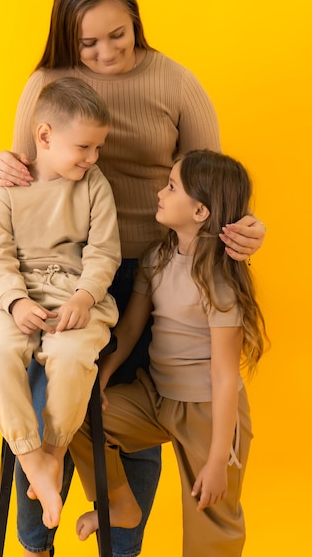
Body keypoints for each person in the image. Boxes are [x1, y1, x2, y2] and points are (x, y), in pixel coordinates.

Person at [0, 0, 267, 557]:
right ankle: (36, 543)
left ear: (136, 20)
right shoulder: (46, 83)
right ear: (67, 36)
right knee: (43, 413)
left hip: (149, 271)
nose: (106, 51)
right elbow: (20, 176)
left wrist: (247, 226)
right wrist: (3, 167)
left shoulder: (175, 83)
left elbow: (212, 186)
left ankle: (121, 545)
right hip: (57, 274)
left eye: (118, 34)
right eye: (88, 42)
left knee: (123, 421)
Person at [70, 149, 268, 556]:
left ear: (200, 211)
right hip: (156, 396)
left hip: (207, 411)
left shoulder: (220, 278)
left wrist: (217, 462)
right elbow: (128, 331)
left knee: (211, 530)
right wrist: (101, 380)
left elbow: (225, 375)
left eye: (172, 186)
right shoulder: (157, 258)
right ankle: (122, 506)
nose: (160, 192)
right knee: (76, 415)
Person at [0, 77, 121, 529]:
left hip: (75, 296)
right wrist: (15, 302)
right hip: (14, 298)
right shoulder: (6, 193)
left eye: (98, 148)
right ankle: (31, 456)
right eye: (84, 147)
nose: (92, 158)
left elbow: (104, 250)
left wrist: (85, 294)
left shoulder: (95, 186)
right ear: (44, 136)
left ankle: (54, 451)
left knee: (73, 356)